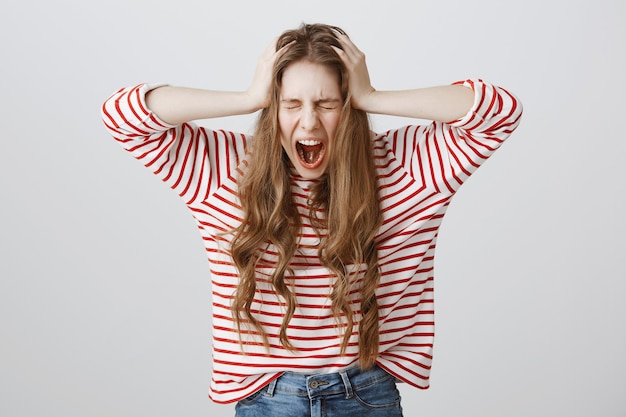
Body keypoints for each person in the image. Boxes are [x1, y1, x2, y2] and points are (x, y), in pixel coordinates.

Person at [101, 23, 522, 417]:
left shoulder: (403, 168)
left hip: (366, 393)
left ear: (349, 106)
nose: (308, 121)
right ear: (273, 108)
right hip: (267, 399)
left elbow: (500, 112)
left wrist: (373, 95)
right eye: (291, 104)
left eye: (327, 103)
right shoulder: (227, 170)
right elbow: (123, 116)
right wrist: (246, 98)